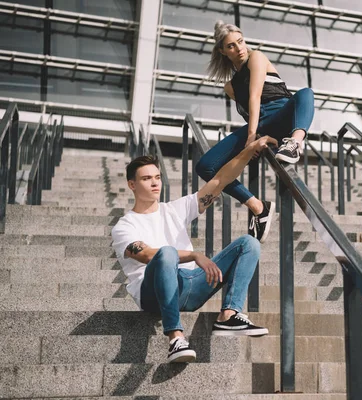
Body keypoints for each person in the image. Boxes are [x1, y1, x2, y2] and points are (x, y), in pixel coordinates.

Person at [111, 135, 276, 364]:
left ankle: (228, 315)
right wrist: (194, 255)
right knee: (166, 252)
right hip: (153, 294)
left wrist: (250, 150)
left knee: (248, 243)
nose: (155, 183)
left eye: (157, 177)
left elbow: (220, 180)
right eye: (147, 179)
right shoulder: (124, 226)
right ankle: (176, 337)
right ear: (132, 184)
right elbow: (149, 255)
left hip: (192, 285)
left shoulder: (174, 210)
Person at [195, 20, 315, 244]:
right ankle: (257, 206)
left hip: (284, 116)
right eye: (231, 46)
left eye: (240, 41)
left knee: (306, 93)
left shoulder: (256, 57)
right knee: (206, 166)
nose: (239, 48)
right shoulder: (229, 87)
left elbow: (255, 96)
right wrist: (255, 138)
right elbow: (250, 111)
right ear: (222, 51)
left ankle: (295, 143)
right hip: (260, 127)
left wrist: (251, 138)